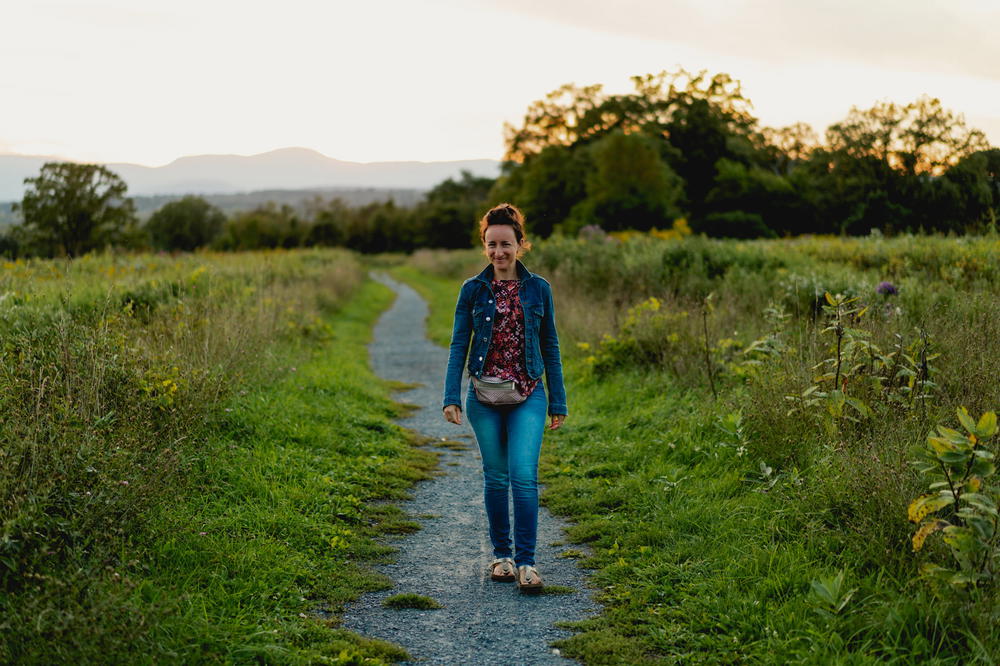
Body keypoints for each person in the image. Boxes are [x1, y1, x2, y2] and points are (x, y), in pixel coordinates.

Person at [442, 203, 567, 593]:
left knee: (523, 477)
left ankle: (528, 563)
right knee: (496, 478)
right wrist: (451, 396)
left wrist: (558, 401)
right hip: (483, 397)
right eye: (492, 244)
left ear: (520, 245)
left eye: (506, 244)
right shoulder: (472, 290)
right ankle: (502, 558)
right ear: (485, 245)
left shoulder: (538, 289)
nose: (499, 252)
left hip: (528, 394)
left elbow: (551, 346)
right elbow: (458, 344)